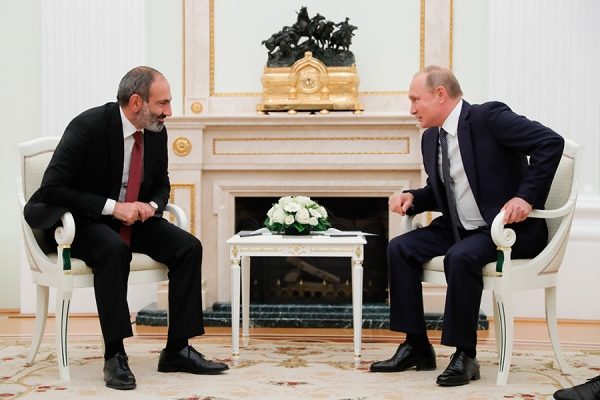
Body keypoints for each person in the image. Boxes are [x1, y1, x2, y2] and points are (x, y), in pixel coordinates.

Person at [24, 66, 228, 390]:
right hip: (82, 221)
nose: (169, 112)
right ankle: (115, 355)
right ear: (136, 102)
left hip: (133, 217)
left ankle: (177, 349)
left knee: (188, 247)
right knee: (113, 249)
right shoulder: (87, 126)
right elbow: (52, 190)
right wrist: (113, 207)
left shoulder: (156, 131)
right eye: (162, 103)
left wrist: (152, 206)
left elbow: (162, 183)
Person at [369, 66, 564, 386]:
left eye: (416, 99)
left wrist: (525, 197)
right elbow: (442, 190)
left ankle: (465, 354)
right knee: (400, 248)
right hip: (459, 228)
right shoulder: (430, 138)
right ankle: (416, 346)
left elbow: (550, 142)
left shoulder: (489, 118)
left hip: (506, 231)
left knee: (460, 256)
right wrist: (412, 198)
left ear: (440, 94)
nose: (412, 109)